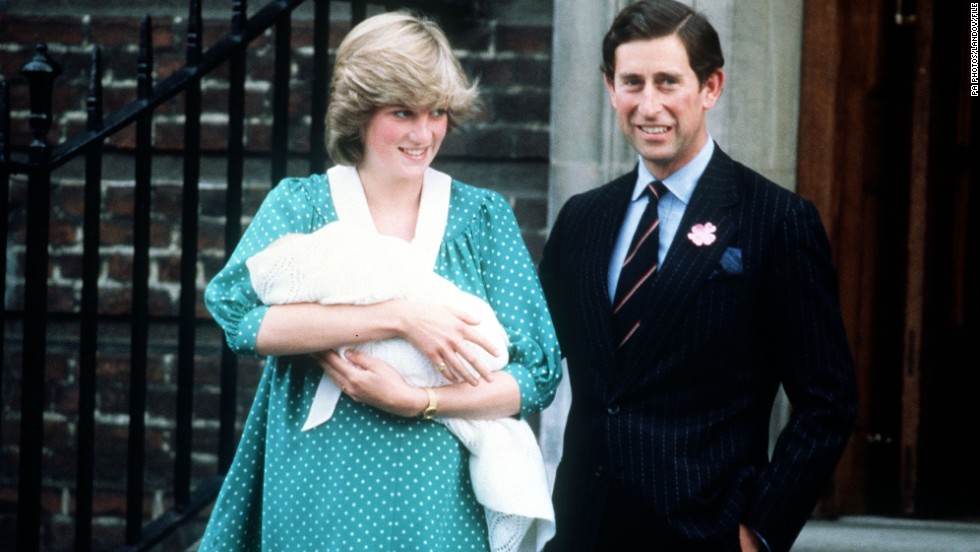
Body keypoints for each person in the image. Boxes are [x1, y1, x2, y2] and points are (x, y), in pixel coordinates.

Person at [199, 11, 561, 552]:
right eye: (402, 113)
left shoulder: (481, 218)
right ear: (359, 113)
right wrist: (400, 317)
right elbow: (238, 317)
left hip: (439, 500)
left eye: (437, 112)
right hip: (318, 486)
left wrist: (420, 400)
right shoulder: (304, 206)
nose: (424, 133)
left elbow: (538, 374)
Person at [538, 1, 858, 551]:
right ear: (610, 88)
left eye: (668, 82)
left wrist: (758, 532)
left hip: (704, 533)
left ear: (711, 87)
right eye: (632, 82)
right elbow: (537, 361)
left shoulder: (775, 221)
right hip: (582, 531)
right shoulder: (582, 221)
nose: (648, 105)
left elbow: (828, 402)